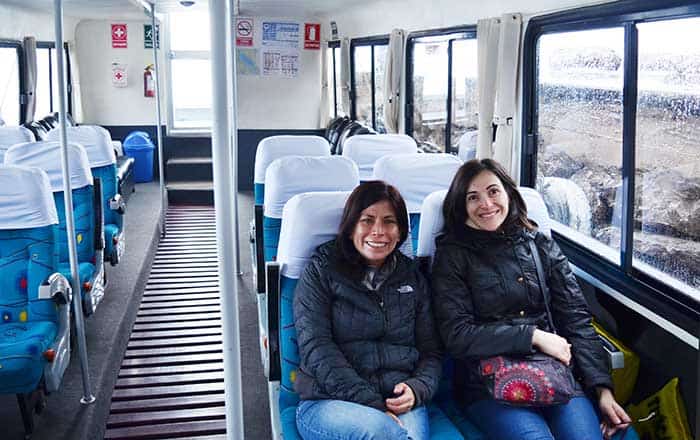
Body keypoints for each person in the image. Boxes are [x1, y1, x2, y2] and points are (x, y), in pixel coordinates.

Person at [431, 159, 631, 440]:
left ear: (509, 194)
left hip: (555, 371)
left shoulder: (540, 245)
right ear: (461, 205)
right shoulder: (452, 255)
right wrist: (533, 336)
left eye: (493, 191)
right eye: (472, 197)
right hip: (486, 382)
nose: (486, 204)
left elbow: (576, 319)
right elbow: (457, 335)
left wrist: (603, 390)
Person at [294, 181, 443, 440]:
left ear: (400, 232)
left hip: (398, 398)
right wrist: (373, 405)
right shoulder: (321, 271)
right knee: (389, 435)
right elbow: (316, 347)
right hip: (328, 400)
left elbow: (432, 351)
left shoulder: (413, 277)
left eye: (389, 222)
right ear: (351, 227)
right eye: (367, 220)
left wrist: (417, 388)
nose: (378, 231)